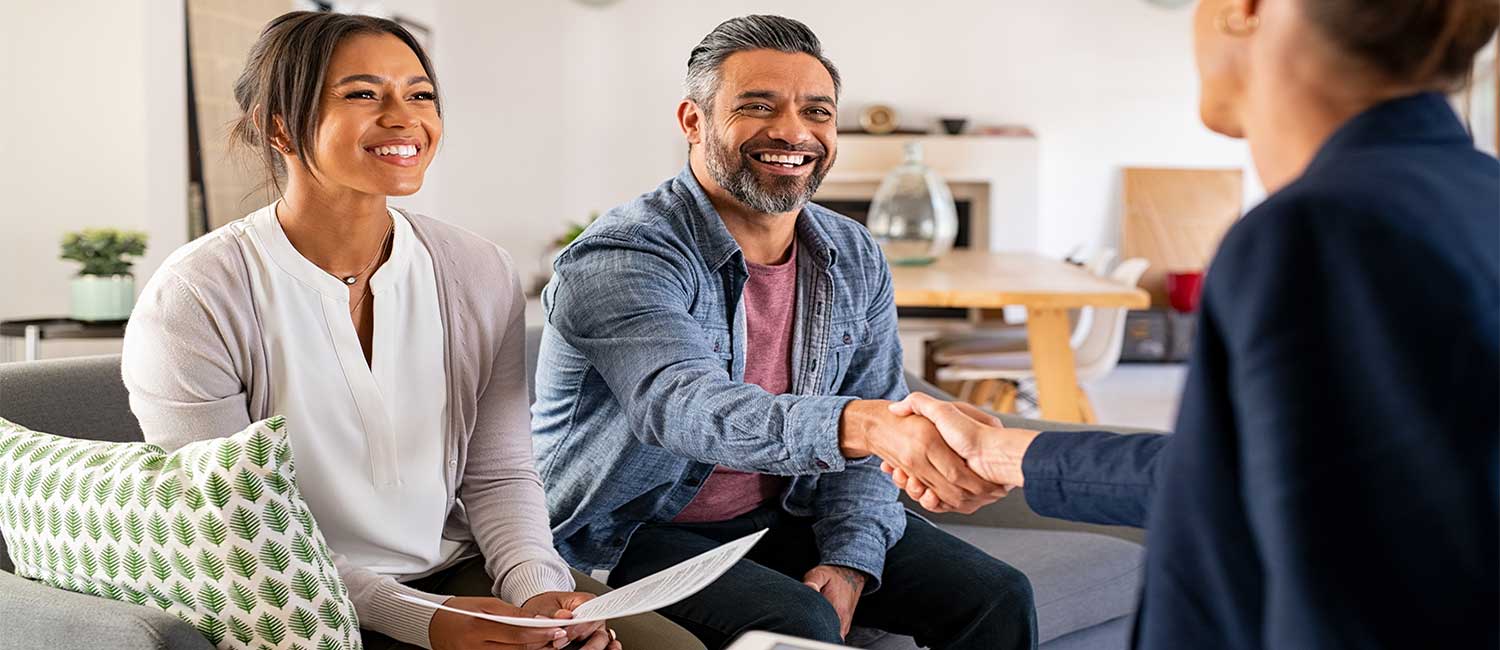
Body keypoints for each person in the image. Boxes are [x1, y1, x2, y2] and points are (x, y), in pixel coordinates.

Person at [881, 0, 1500, 648]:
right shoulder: (1473, 196)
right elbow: (1251, 477)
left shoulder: (1321, 230)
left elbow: (1327, 582)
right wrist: (1004, 453)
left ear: (1247, 8)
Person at [121, 11, 697, 650]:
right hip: (290, 596)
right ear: (277, 126)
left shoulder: (476, 269)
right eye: (363, 94)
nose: (404, 117)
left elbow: (500, 469)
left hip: (455, 568)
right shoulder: (197, 294)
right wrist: (420, 619)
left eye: (420, 94)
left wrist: (537, 590)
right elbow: (231, 528)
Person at [531, 14, 1031, 650]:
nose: (794, 131)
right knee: (798, 620)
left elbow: (871, 431)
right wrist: (864, 424)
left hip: (779, 513)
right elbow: (682, 406)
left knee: (997, 597)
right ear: (693, 121)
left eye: (817, 111)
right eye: (758, 106)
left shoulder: (850, 252)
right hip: (626, 533)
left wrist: (851, 560)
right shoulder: (623, 257)